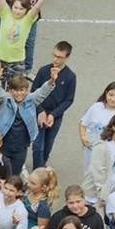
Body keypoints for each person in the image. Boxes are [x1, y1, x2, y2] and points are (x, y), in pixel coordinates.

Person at [32, 41, 75, 169]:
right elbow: (33, 92)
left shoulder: (70, 77)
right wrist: (40, 110)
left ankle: (43, 162)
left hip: (55, 116)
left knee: (48, 143)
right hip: (40, 113)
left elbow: (69, 100)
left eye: (60, 57)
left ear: (67, 57)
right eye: (54, 55)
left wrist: (53, 115)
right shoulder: (43, 71)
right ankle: (37, 170)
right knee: (37, 146)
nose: (56, 59)